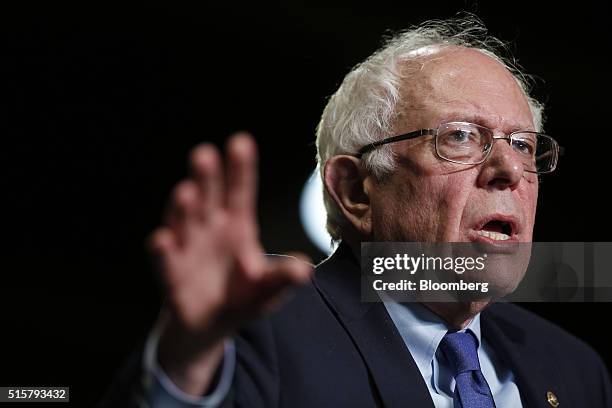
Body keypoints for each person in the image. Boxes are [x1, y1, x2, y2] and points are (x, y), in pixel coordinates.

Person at [101, 15, 612, 407]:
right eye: (459, 137)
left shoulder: (574, 368)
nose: (508, 169)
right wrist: (186, 364)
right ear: (356, 191)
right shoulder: (262, 330)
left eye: (523, 144)